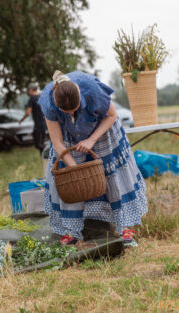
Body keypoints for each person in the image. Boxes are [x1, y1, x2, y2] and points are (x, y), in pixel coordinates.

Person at [39, 70, 148, 247]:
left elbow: (112, 115)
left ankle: (124, 228)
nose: (71, 114)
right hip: (68, 138)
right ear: (58, 107)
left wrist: (91, 140)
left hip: (102, 130)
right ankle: (72, 230)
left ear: (80, 96)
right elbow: (57, 141)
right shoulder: (48, 100)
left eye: (74, 110)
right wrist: (74, 168)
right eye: (66, 112)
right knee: (69, 181)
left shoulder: (92, 89)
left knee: (113, 177)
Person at [19, 82, 48, 154]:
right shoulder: (42, 97)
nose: (28, 92)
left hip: (38, 124)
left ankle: (46, 152)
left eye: (28, 90)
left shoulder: (32, 99)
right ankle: (44, 155)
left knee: (38, 144)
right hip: (45, 123)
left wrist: (22, 119)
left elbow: (28, 112)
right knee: (41, 141)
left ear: (31, 90)